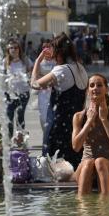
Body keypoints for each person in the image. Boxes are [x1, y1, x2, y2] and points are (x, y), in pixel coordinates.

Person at [31, 32, 88, 169]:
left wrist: (38, 61)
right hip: (75, 126)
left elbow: (34, 83)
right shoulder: (80, 68)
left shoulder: (61, 70)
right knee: (73, 165)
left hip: (58, 126)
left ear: (59, 51)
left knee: (51, 165)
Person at [72, 74, 109, 195]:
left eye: (99, 85)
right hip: (85, 169)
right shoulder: (79, 116)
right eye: (91, 85)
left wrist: (103, 119)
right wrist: (89, 121)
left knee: (100, 161)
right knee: (88, 162)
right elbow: (76, 147)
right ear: (87, 91)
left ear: (107, 89)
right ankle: (83, 209)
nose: (95, 88)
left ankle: (105, 209)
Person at [3, 39, 33, 138]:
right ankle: (9, 139)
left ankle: (20, 140)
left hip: (23, 92)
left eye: (16, 47)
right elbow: (1, 76)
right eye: (11, 48)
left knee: (20, 116)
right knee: (9, 116)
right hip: (10, 93)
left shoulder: (25, 60)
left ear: (19, 49)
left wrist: (28, 77)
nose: (14, 50)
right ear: (8, 50)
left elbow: (32, 70)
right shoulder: (5, 61)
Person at [30, 40, 56, 154]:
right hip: (43, 93)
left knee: (53, 119)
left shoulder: (56, 61)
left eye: (48, 47)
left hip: (53, 92)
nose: (46, 49)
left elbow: (56, 76)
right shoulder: (40, 63)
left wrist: (44, 79)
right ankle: (47, 137)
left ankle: (50, 140)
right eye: (44, 47)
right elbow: (36, 77)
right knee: (43, 118)